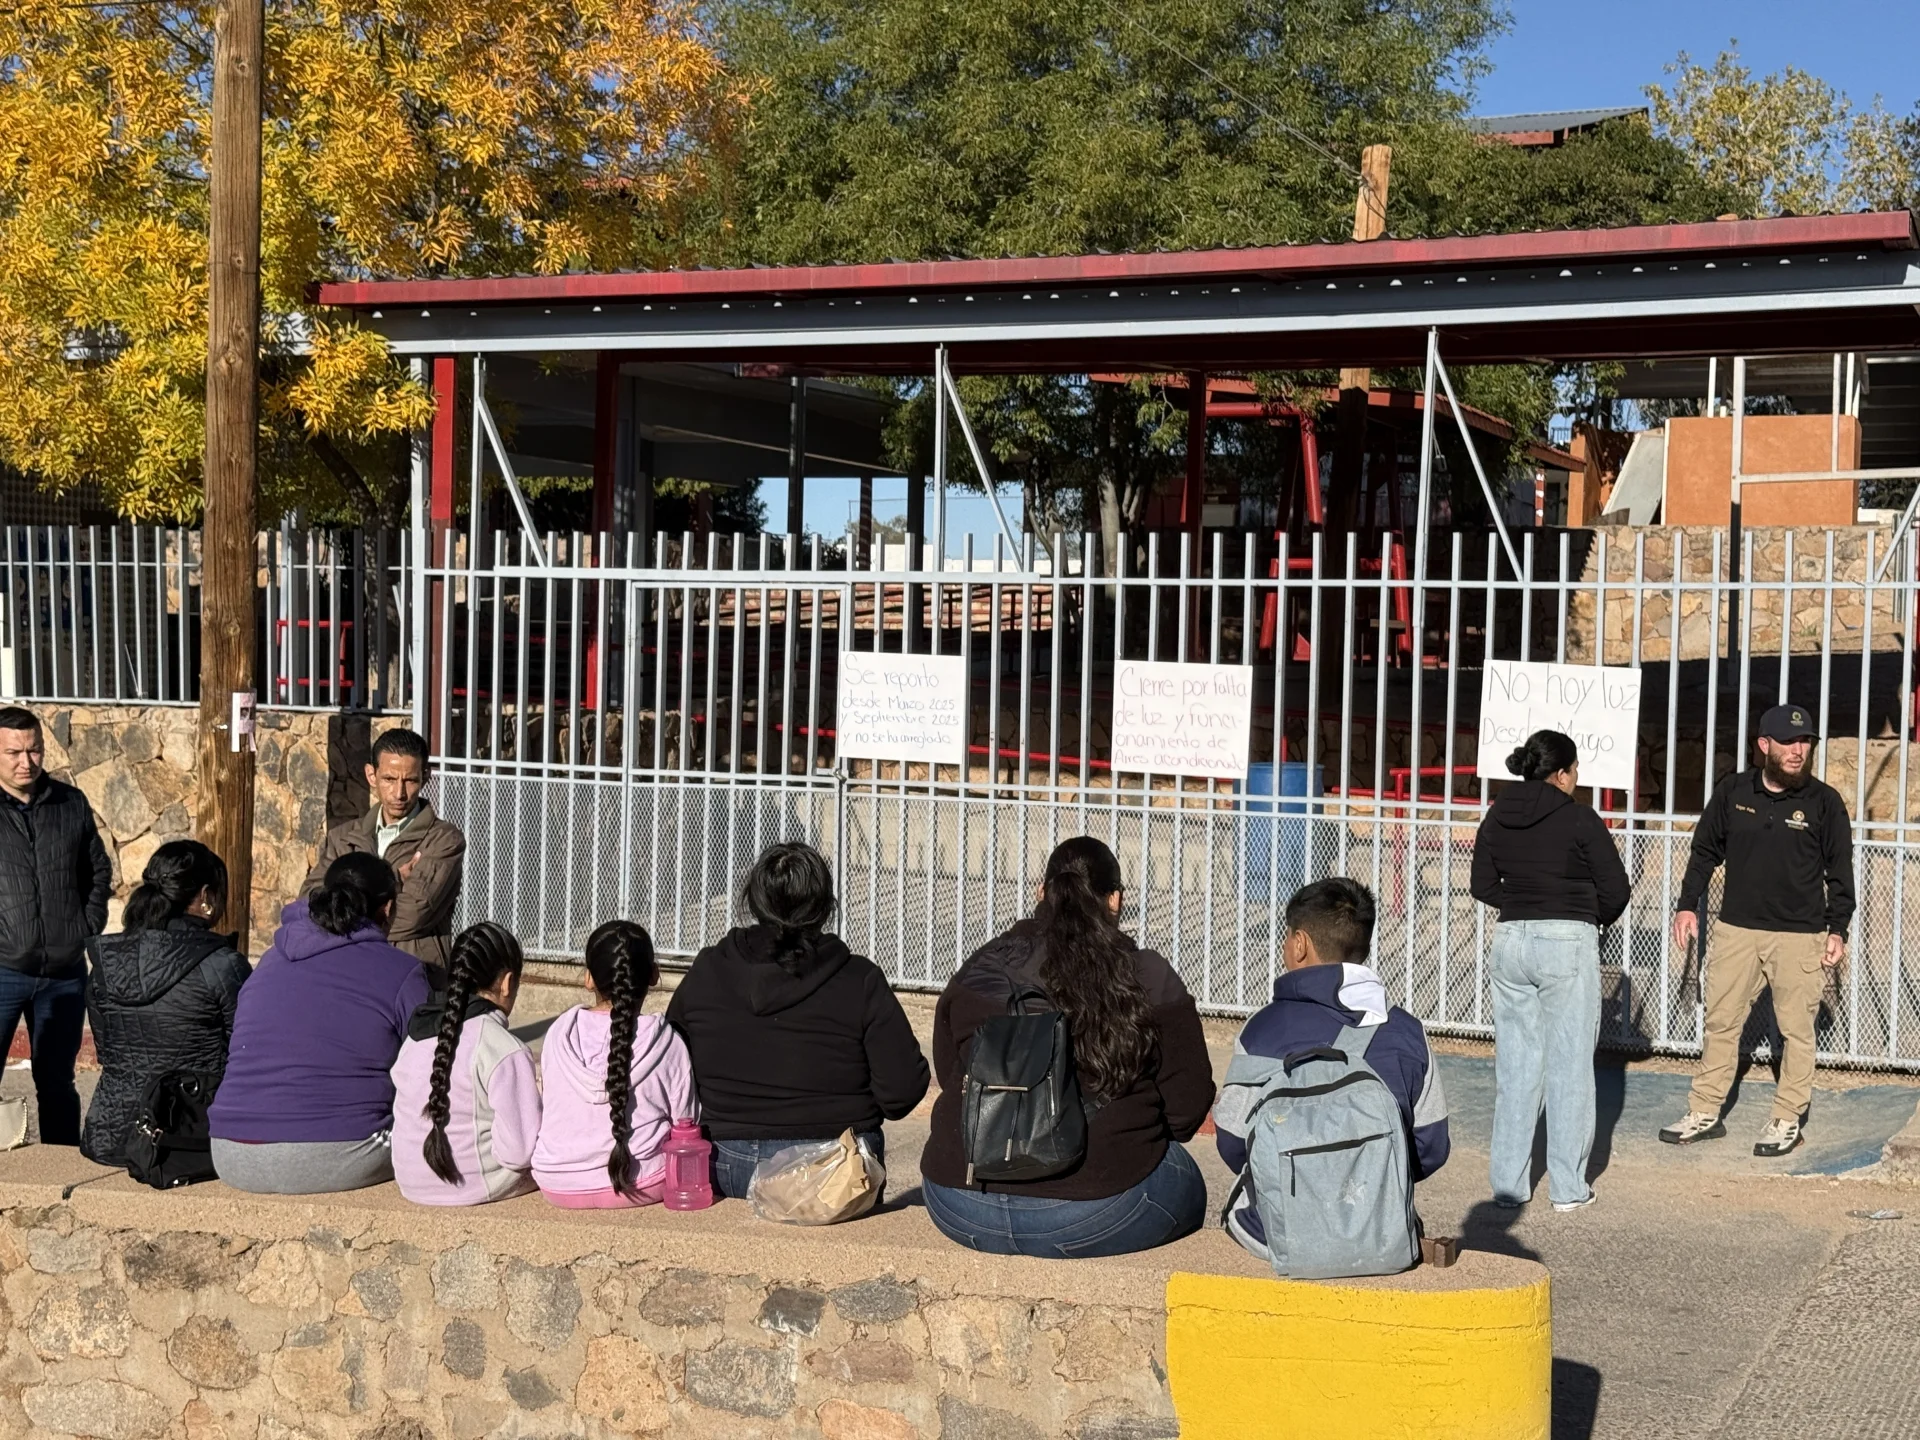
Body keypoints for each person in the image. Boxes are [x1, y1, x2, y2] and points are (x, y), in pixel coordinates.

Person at [919, 837, 1214, 1259]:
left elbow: (951, 1071)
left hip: (959, 1202)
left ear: (1042, 892)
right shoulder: (1147, 974)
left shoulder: (980, 969)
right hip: (1093, 1212)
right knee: (1184, 1176)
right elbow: (1185, 1110)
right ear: (1115, 900)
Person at [665, 842, 929, 1199]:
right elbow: (901, 1094)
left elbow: (673, 1066)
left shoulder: (706, 972)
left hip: (728, 1162)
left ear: (754, 900)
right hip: (837, 1166)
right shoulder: (860, 979)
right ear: (824, 907)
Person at [1216, 877, 1450, 1258]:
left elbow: (1231, 1143)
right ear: (1365, 947)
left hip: (1276, 1235)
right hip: (1379, 1233)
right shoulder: (1408, 1032)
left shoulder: (1261, 1029)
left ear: (1300, 943)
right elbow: (1432, 1145)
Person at [1661, 703, 1854, 1158]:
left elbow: (1840, 873)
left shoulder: (1824, 803)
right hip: (1736, 931)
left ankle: (1787, 1119)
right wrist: (1687, 906)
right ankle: (1705, 1111)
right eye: (1788, 742)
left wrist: (1837, 928)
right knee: (1721, 1022)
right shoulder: (1732, 792)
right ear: (1763, 745)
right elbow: (1703, 852)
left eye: (1805, 741)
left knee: (1795, 1030)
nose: (1798, 750)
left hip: (1799, 935)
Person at [1470, 731, 1629, 1211]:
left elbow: (1481, 884)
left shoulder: (1497, 812)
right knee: (1569, 1065)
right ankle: (1568, 1188)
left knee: (1517, 1067)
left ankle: (1509, 1187)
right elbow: (1616, 889)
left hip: (1510, 939)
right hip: (1566, 939)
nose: (1577, 779)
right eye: (1576, 770)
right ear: (1561, 773)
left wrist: (1521, 904)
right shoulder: (1579, 817)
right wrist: (1581, 913)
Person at [209, 853, 430, 1193]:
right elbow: (428, 1070)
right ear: (386, 909)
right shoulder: (403, 971)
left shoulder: (269, 961)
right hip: (337, 1151)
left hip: (228, 1151)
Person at [79, 841, 251, 1167]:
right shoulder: (223, 964)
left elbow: (107, 1051)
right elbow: (246, 1054)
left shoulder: (107, 961)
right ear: (204, 896)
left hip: (109, 1137)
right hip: (188, 1141)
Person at [0, 705, 111, 1146]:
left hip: (64, 972)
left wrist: (86, 926)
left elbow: (97, 871)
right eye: (13, 753)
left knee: (58, 1084)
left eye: (34, 750)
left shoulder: (70, 803)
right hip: (4, 968)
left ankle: (61, 1170)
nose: (26, 762)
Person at [532, 920, 695, 1207]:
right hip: (644, 1182)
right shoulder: (667, 1042)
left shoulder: (558, 1034)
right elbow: (687, 1122)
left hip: (556, 1182)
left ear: (588, 978)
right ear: (654, 975)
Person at [390, 921, 540, 1206]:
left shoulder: (414, 1038)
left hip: (410, 1183)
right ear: (508, 983)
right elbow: (520, 1152)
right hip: (474, 1186)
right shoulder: (503, 1048)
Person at [302, 728, 464, 972]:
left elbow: (413, 914)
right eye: (389, 779)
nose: (399, 793)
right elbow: (310, 902)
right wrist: (395, 880)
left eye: (410, 780)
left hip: (412, 976)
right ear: (371, 775)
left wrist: (342, 909)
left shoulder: (443, 840)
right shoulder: (343, 838)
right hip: (347, 971)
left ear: (426, 776)